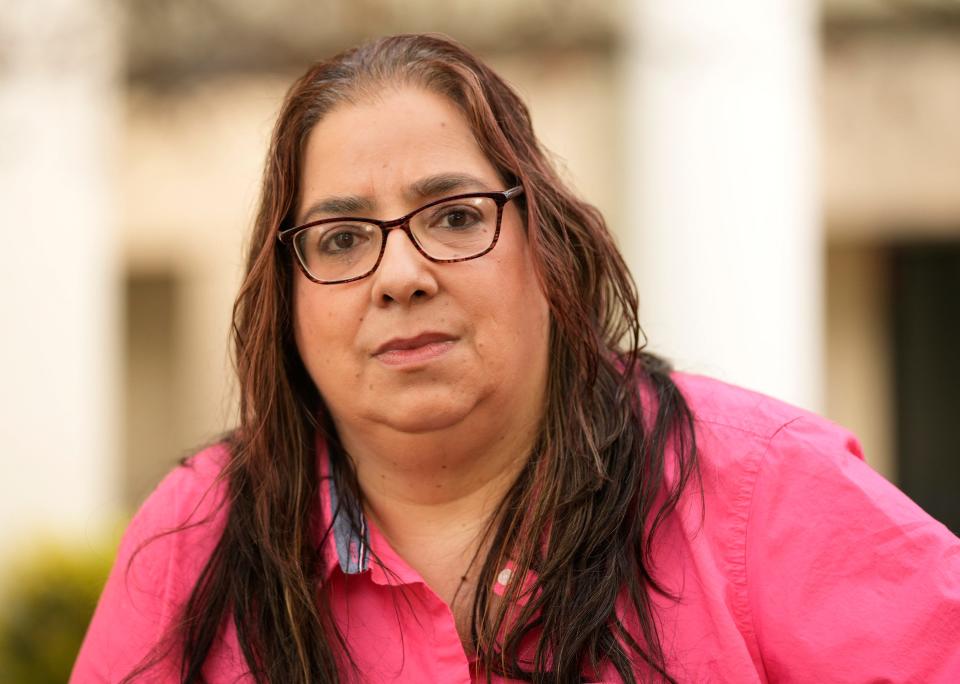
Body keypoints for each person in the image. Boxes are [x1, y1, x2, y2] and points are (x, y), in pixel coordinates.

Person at [72, 34, 959, 683]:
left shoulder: (761, 487)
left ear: (548, 247)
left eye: (455, 217)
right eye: (342, 238)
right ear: (288, 296)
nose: (401, 275)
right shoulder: (194, 540)